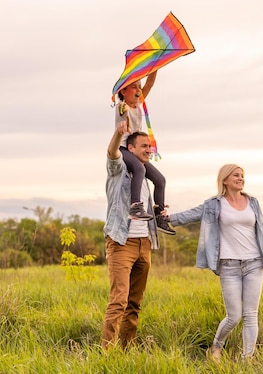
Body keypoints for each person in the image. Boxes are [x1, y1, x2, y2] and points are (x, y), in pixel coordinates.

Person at [163, 164, 263, 361]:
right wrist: (167, 218)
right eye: (236, 175)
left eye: (242, 175)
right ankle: (217, 345)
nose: (241, 178)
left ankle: (247, 359)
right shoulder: (214, 204)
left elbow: (261, 228)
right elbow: (191, 215)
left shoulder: (253, 202)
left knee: (251, 314)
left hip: (254, 263)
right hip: (229, 266)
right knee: (234, 316)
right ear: (225, 180)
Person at [101, 125, 159, 350]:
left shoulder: (142, 177)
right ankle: (106, 353)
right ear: (131, 148)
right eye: (144, 146)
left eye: (150, 146)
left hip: (144, 242)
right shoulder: (119, 171)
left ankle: (127, 350)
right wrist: (117, 133)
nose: (149, 150)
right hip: (121, 242)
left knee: (134, 303)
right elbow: (112, 153)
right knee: (119, 301)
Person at [115, 70, 175, 235]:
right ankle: (135, 207)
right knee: (139, 169)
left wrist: (155, 66)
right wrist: (122, 114)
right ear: (123, 91)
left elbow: (149, 84)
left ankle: (159, 215)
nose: (138, 90)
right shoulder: (122, 106)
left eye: (138, 87)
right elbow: (121, 110)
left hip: (136, 150)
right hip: (124, 149)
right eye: (133, 87)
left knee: (160, 180)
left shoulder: (139, 104)